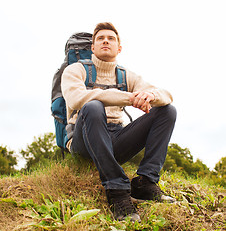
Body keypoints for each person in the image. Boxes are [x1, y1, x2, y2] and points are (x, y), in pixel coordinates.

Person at [61, 22, 177, 222]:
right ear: (93, 47)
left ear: (119, 48)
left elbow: (166, 95)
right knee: (93, 106)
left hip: (116, 138)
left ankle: (145, 182)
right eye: (100, 38)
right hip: (84, 140)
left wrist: (148, 95)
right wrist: (129, 98)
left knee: (167, 111)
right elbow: (77, 99)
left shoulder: (126, 75)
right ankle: (117, 190)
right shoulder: (75, 70)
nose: (106, 41)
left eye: (111, 38)